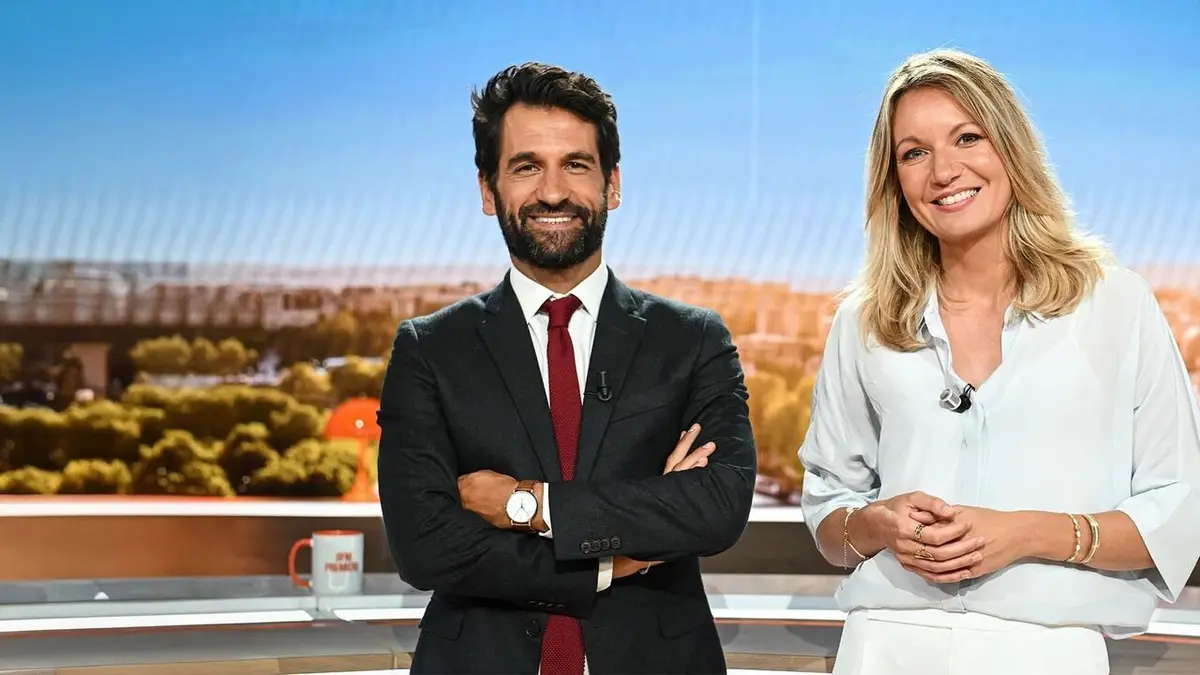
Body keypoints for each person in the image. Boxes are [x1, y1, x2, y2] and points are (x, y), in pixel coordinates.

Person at [799, 47, 1200, 675]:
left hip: (1049, 649)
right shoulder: (865, 321)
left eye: (967, 138)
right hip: (885, 644)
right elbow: (829, 513)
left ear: (1011, 148)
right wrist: (877, 524)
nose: (944, 171)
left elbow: (1177, 508)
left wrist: (1025, 533)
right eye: (914, 153)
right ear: (894, 181)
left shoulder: (1115, 304)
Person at [375, 62, 756, 675]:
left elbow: (717, 506)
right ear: (488, 190)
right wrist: (614, 561)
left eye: (576, 165)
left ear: (613, 185)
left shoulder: (691, 340)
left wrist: (530, 505)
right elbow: (426, 547)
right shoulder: (430, 349)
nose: (553, 193)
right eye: (526, 167)